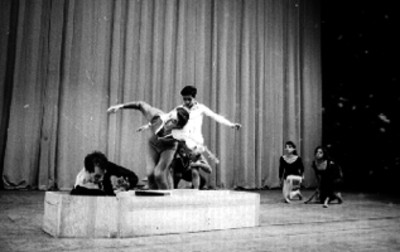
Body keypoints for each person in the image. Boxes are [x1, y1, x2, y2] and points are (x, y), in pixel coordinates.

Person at [107, 101, 190, 190]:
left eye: (173, 121)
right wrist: (120, 106)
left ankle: (166, 198)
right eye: (170, 115)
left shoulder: (181, 134)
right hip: (153, 144)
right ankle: (154, 197)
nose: (168, 121)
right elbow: (140, 104)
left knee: (158, 174)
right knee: (150, 174)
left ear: (178, 126)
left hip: (168, 148)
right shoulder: (157, 116)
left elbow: (189, 149)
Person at [71, 151, 139, 196]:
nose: (102, 179)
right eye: (97, 177)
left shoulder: (105, 166)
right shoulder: (79, 187)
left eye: (104, 174)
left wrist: (126, 185)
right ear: (87, 172)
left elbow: (133, 177)